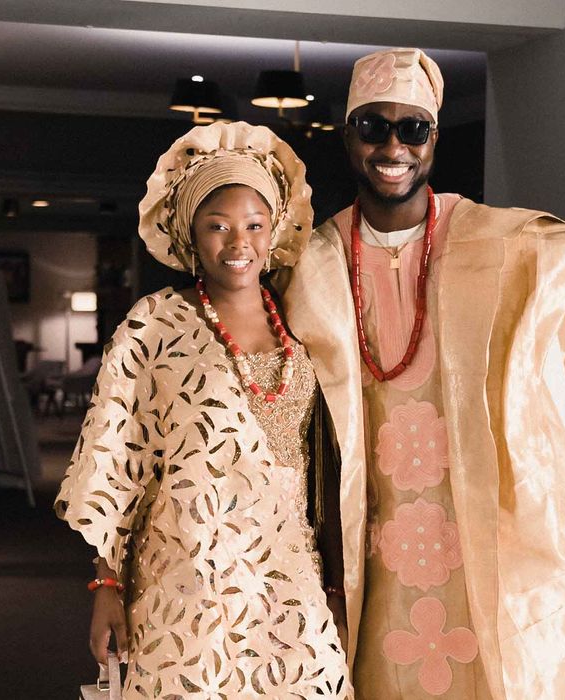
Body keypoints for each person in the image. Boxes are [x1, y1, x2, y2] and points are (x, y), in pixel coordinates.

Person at [275, 48, 565, 698]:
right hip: (373, 552)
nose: (393, 145)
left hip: (489, 547)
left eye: (412, 128)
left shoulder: (514, 251)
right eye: (373, 125)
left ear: (434, 139)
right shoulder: (307, 266)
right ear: (348, 135)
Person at [55, 122, 352, 699]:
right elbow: (116, 464)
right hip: (187, 572)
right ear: (190, 235)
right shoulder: (155, 326)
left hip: (287, 572)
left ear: (274, 233)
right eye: (217, 226)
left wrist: (337, 589)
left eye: (253, 225)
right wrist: (106, 586)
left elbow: (330, 463)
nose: (237, 243)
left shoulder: (304, 319)